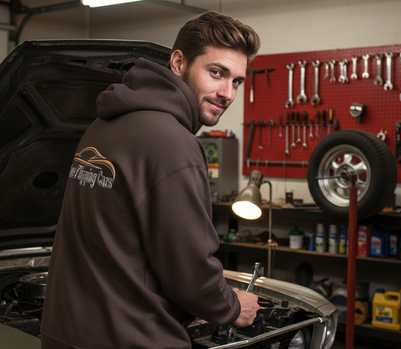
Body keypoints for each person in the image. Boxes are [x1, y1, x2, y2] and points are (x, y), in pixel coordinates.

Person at [41, 11, 261, 349]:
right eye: (216, 73)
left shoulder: (100, 126)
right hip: (133, 337)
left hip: (67, 333)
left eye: (236, 81)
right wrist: (231, 306)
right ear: (178, 62)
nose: (227, 93)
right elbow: (188, 270)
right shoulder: (172, 143)